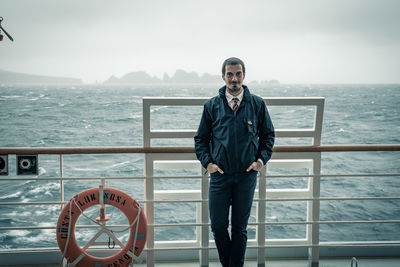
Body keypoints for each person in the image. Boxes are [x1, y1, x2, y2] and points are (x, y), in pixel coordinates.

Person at [194, 57, 275, 267]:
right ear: (223, 77)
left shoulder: (257, 104)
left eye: (238, 74)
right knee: (218, 226)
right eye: (229, 74)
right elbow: (201, 139)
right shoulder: (212, 105)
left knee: (240, 228)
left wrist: (260, 162)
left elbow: (268, 136)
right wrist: (208, 164)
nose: (234, 79)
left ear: (244, 76)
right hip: (220, 175)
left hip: (246, 175)